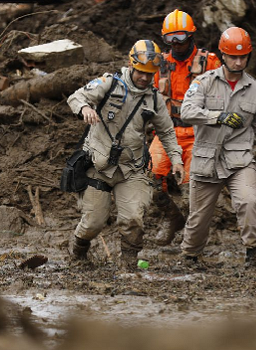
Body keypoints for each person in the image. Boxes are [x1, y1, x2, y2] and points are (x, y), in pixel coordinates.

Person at [179, 27, 256, 269]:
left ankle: (252, 256)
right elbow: (187, 112)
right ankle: (190, 257)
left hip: (239, 160)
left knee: (250, 201)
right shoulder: (204, 83)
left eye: (243, 57)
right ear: (222, 55)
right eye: (233, 56)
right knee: (199, 217)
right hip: (206, 159)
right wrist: (217, 117)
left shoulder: (255, 90)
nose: (238, 61)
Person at [66, 39, 184, 270]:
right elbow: (76, 97)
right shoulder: (109, 84)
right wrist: (85, 108)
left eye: (150, 74)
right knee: (93, 223)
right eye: (141, 72)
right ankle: (77, 253)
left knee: (133, 219)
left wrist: (177, 160)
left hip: (132, 168)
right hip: (98, 167)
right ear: (131, 65)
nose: (145, 78)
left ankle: (129, 265)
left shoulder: (154, 99)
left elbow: (167, 132)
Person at [149, 9, 221, 246]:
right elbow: (147, 98)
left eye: (180, 37)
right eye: (171, 38)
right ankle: (172, 218)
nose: (176, 43)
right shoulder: (159, 65)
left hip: (199, 134)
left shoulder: (209, 62)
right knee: (149, 179)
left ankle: (195, 241)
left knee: (196, 192)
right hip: (167, 132)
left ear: (191, 36)